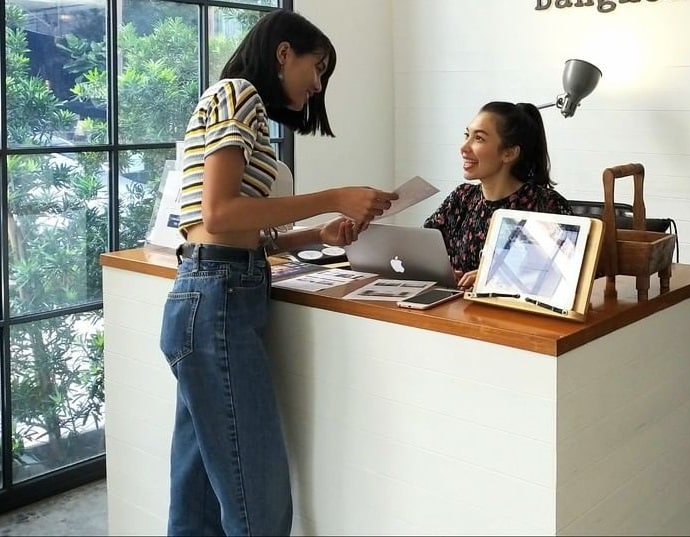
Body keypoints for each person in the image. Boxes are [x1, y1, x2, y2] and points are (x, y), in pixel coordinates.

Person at [158, 10, 397, 536]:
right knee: (257, 500)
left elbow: (231, 228)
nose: (317, 84)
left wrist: (317, 235)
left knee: (198, 495)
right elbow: (220, 216)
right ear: (284, 52)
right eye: (317, 67)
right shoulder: (237, 93)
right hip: (217, 298)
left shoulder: (239, 107)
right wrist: (335, 194)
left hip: (211, 292)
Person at [423, 101, 573, 288]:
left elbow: (574, 274)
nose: (464, 147)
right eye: (466, 135)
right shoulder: (461, 198)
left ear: (509, 153)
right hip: (458, 311)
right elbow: (422, 249)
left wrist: (495, 277)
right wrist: (443, 274)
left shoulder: (546, 206)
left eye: (478, 138)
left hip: (516, 315)